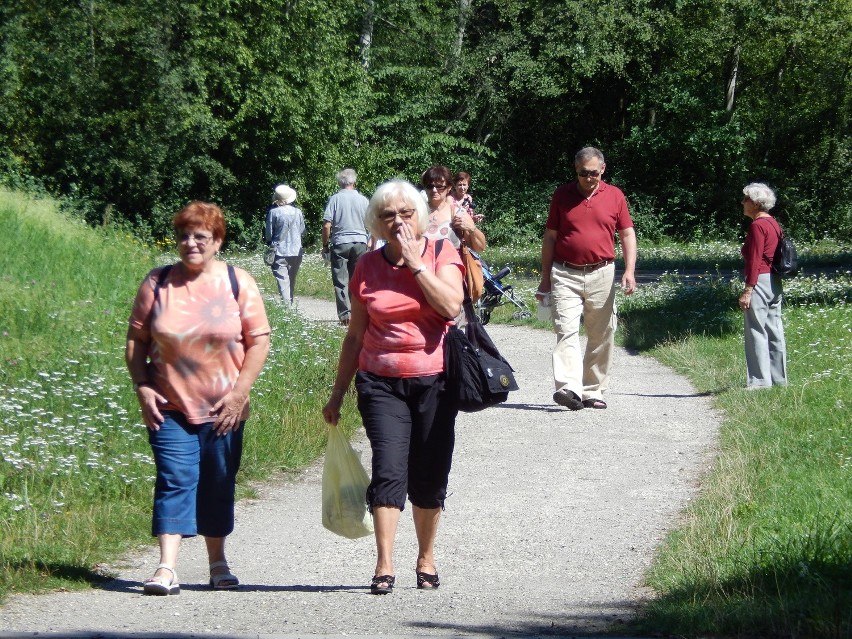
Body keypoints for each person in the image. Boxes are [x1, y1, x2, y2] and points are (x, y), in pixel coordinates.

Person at [322, 179, 464, 595]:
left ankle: (426, 557)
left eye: (405, 213)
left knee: (430, 472)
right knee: (388, 469)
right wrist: (336, 393)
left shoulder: (441, 253)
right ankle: (384, 563)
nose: (397, 221)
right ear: (377, 224)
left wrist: (415, 263)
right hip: (379, 382)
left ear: (418, 216)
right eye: (388, 215)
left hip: (434, 380)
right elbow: (354, 336)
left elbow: (451, 306)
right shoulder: (366, 265)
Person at [125, 202, 271, 595]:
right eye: (184, 236)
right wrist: (142, 386)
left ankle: (217, 562)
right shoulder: (157, 283)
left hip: (225, 409)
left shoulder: (238, 282)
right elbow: (136, 341)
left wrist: (240, 394)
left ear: (218, 242)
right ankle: (166, 568)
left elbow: (259, 341)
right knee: (174, 479)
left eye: (200, 237)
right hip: (169, 407)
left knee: (218, 483)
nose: (191, 244)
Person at [536, 146, 637, 411]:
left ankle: (592, 390)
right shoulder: (562, 195)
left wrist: (629, 271)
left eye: (594, 172)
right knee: (566, 330)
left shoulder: (615, 196)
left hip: (602, 272)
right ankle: (569, 388)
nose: (589, 178)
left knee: (601, 333)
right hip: (564, 272)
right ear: (576, 170)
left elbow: (627, 234)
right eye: (583, 173)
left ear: (603, 169)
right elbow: (550, 237)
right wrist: (545, 279)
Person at [739, 183, 787, 389]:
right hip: (775, 282)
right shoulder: (774, 224)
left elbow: (755, 260)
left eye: (746, 199)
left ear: (756, 203)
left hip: (760, 281)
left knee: (756, 331)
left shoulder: (757, 226)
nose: (743, 202)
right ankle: (779, 380)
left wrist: (748, 290)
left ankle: (759, 383)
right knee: (775, 331)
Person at [322, 168, 370, 325]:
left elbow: (327, 225)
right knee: (358, 279)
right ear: (354, 182)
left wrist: (325, 245)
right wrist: (372, 242)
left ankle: (345, 315)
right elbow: (372, 224)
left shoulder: (335, 199)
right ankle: (358, 313)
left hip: (341, 242)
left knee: (341, 280)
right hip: (360, 242)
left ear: (339, 183)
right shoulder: (364, 200)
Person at [421, 165, 486, 252]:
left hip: (451, 263)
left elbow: (480, 247)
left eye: (439, 186)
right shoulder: (417, 213)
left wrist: (471, 228)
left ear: (449, 188)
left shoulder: (457, 213)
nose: (434, 190)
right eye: (429, 186)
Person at [265, 184, 306, 306]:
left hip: (279, 252)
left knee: (283, 281)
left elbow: (269, 234)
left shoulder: (273, 213)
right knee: (291, 280)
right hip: (296, 251)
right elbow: (303, 230)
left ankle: (287, 310)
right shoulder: (298, 212)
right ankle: (290, 305)